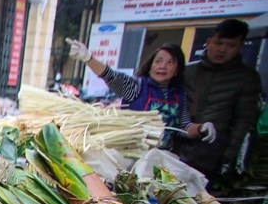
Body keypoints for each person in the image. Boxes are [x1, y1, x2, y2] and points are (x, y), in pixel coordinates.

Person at [67, 38, 212, 150]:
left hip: (163, 157)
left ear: (177, 70)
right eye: (158, 61)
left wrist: (201, 128)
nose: (162, 66)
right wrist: (88, 58)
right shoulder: (137, 87)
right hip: (131, 155)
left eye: (170, 62)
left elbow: (184, 127)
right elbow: (111, 76)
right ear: (151, 66)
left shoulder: (179, 96)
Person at [177, 18, 262, 183]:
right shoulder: (187, 72)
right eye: (219, 43)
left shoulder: (247, 78)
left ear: (240, 47)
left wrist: (227, 160)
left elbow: (244, 123)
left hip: (212, 158)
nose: (222, 49)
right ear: (209, 42)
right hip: (178, 150)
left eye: (231, 45)